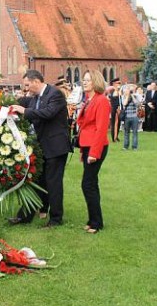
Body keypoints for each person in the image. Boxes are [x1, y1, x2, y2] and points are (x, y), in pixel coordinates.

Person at [9, 71, 71, 227]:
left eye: (28, 85)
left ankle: (56, 219)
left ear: (36, 81)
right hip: (42, 146)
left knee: (53, 183)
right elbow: (27, 106)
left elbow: (47, 113)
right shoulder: (35, 98)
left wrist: (24, 111)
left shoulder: (55, 94)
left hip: (56, 147)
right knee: (35, 181)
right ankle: (25, 216)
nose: (26, 89)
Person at [77, 70, 111, 234]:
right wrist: (83, 151)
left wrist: (93, 153)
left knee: (87, 184)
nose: (84, 82)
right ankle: (93, 220)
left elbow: (101, 129)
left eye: (88, 80)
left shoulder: (101, 100)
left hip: (96, 147)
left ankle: (96, 222)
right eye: (84, 80)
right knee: (91, 183)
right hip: (87, 146)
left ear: (95, 82)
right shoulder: (89, 100)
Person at [120, 85, 141, 150]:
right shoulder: (124, 97)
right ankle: (125, 146)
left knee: (135, 132)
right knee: (126, 132)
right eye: (126, 90)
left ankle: (134, 146)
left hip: (134, 117)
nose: (127, 91)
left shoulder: (136, 96)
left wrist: (132, 96)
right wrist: (127, 96)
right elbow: (124, 104)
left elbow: (137, 104)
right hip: (127, 117)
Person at [108, 77, 121, 142]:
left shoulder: (119, 90)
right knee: (113, 123)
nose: (119, 84)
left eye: (119, 83)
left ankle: (117, 136)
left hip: (119, 108)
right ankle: (113, 137)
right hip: (114, 108)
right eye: (118, 83)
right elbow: (112, 98)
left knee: (118, 123)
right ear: (114, 84)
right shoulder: (112, 91)